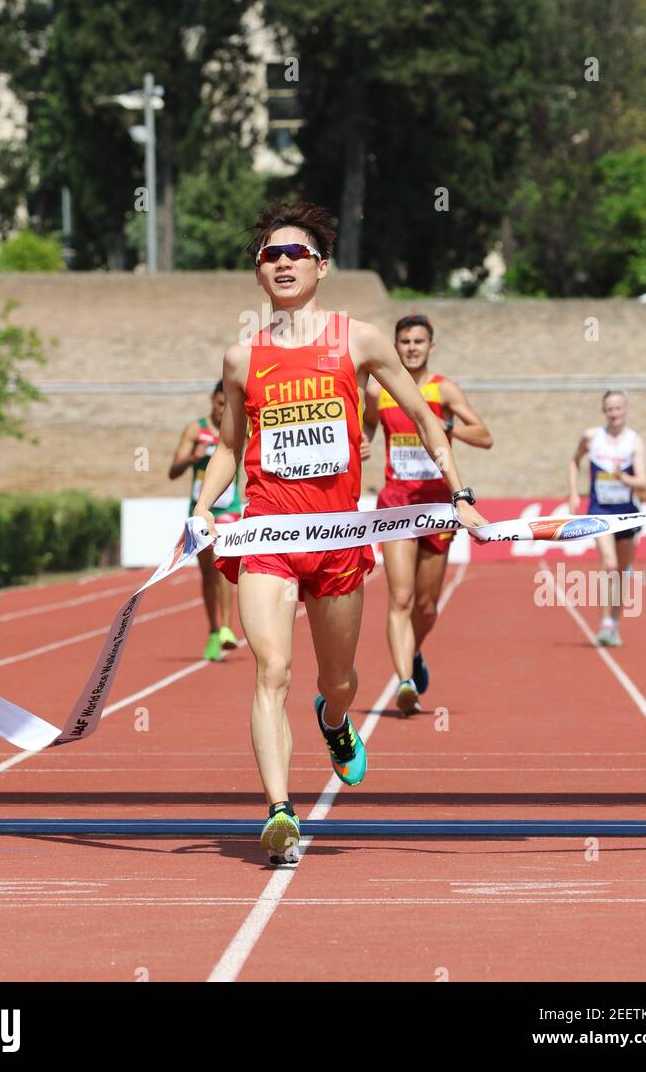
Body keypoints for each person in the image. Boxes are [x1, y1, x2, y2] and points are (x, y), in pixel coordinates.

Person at [192, 201, 487, 864]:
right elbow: (228, 447)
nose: (285, 263)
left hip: (337, 541)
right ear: (258, 272)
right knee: (272, 667)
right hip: (266, 534)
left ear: (322, 267)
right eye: (272, 254)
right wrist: (205, 508)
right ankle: (279, 813)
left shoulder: (358, 341)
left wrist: (460, 493)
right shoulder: (243, 358)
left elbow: (424, 416)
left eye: (297, 253)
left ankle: (334, 721)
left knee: (341, 677)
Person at [363, 314, 493, 715]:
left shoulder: (444, 389)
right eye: (404, 341)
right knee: (399, 597)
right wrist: (365, 442)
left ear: (430, 346)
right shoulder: (379, 390)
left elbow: (485, 437)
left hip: (438, 507)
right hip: (397, 504)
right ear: (396, 346)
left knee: (426, 605)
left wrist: (447, 425)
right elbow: (368, 427)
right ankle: (404, 681)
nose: (412, 348)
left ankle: (413, 651)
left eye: (419, 341)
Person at [168, 380, 243, 661]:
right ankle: (214, 629)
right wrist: (191, 459)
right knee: (208, 572)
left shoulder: (238, 429)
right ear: (212, 400)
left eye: (228, 405)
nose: (223, 410)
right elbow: (172, 471)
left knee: (222, 563)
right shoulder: (195, 429)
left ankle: (226, 628)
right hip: (200, 508)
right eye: (220, 404)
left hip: (229, 507)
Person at [568, 389, 646, 648]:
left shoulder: (635, 442)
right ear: (604, 411)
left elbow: (643, 484)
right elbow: (573, 460)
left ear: (625, 409)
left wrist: (623, 477)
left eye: (618, 408)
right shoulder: (592, 437)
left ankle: (614, 623)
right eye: (610, 409)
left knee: (622, 572)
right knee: (610, 564)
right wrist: (573, 493)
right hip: (599, 510)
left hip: (627, 513)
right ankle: (604, 624)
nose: (614, 413)